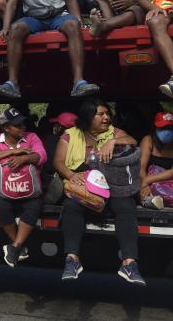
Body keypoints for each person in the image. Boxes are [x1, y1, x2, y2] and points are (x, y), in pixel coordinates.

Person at [53, 99, 144, 285]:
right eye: (100, 114)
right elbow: (58, 162)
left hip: (110, 188)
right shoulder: (69, 136)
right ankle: (72, 260)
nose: (106, 117)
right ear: (88, 116)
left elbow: (133, 141)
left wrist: (113, 141)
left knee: (126, 206)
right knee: (71, 206)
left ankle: (129, 263)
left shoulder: (114, 132)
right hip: (81, 188)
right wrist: (71, 175)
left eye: (107, 114)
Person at [0, 107, 47, 267]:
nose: (23, 128)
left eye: (23, 124)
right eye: (17, 125)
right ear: (6, 128)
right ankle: (18, 244)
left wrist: (24, 159)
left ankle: (15, 247)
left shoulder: (32, 137)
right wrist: (15, 152)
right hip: (3, 190)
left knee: (34, 205)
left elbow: (42, 155)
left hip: (30, 190)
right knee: (1, 206)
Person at [140, 112, 173, 209]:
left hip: (166, 182)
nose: (167, 132)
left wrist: (147, 180)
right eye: (163, 128)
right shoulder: (148, 141)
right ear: (155, 128)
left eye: (170, 128)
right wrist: (144, 184)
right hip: (146, 182)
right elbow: (141, 167)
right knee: (144, 196)